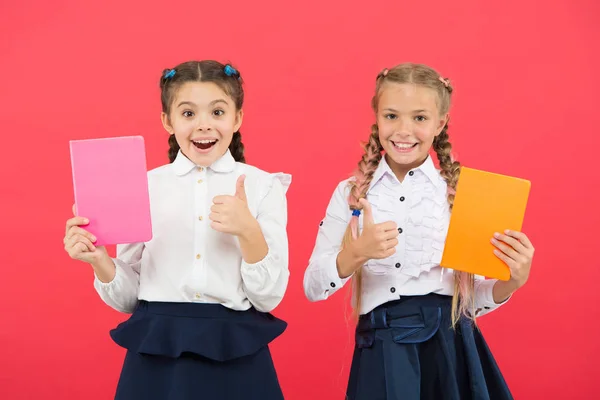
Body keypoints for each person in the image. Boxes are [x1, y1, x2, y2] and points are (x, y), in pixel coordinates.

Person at [303, 62, 535, 400]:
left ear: (440, 123)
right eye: (392, 116)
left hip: (450, 352)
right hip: (382, 350)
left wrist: (512, 280)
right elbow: (312, 287)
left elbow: (470, 304)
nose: (404, 130)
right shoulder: (351, 194)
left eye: (420, 118)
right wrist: (355, 254)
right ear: (377, 116)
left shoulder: (463, 193)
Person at [63, 60, 291, 400]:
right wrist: (99, 260)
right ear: (167, 121)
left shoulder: (263, 186)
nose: (204, 126)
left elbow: (268, 296)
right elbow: (128, 300)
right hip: (158, 353)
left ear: (237, 118)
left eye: (217, 112)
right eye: (188, 114)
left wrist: (248, 232)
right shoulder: (142, 187)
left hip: (235, 350)